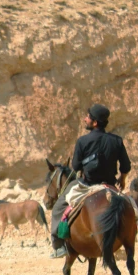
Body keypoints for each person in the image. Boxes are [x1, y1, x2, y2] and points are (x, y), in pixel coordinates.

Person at [50, 104, 132, 258]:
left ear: (94, 123)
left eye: (87, 117)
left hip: (86, 185)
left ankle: (58, 245)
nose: (85, 119)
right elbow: (126, 166)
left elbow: (75, 166)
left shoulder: (83, 141)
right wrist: (123, 179)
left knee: (58, 208)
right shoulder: (117, 141)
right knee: (131, 208)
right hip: (110, 184)